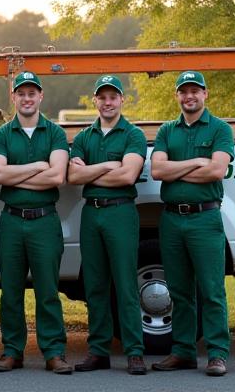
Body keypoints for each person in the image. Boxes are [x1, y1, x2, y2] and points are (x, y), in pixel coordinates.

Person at [150, 70, 234, 377]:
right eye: (184, 91)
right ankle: (183, 351)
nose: (189, 96)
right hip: (172, 219)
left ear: (205, 93)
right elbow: (158, 170)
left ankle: (217, 354)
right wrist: (198, 162)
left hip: (205, 218)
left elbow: (216, 171)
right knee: (179, 291)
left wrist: (181, 169)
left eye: (195, 90)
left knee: (211, 289)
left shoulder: (220, 129)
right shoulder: (166, 131)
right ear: (177, 96)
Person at [0, 71, 72, 375]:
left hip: (44, 222)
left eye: (32, 93)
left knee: (47, 290)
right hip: (11, 221)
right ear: (13, 97)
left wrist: (18, 173)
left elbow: (57, 176)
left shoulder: (55, 133)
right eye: (21, 93)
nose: (27, 98)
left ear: (41, 96)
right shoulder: (2, 135)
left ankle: (54, 351)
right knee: (11, 290)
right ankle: (12, 351)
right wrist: (38, 166)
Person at [67, 75, 147, 375]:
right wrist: (106, 166)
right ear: (95, 101)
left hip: (120, 212)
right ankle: (98, 351)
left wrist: (89, 171)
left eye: (113, 96)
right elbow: (73, 178)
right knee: (95, 285)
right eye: (102, 97)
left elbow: (127, 176)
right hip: (92, 214)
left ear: (122, 100)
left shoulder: (133, 135)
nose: (108, 101)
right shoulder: (85, 137)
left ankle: (135, 352)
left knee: (126, 284)